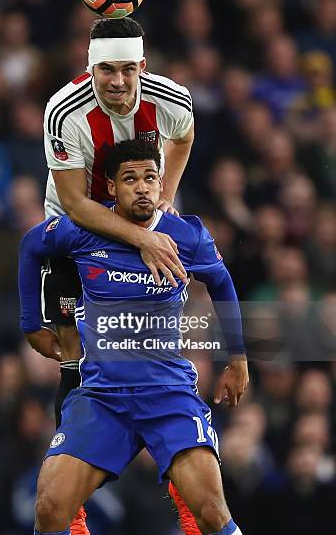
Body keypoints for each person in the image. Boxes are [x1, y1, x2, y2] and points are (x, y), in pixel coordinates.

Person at [19, 140, 249, 535]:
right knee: (50, 509)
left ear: (161, 185)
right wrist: (30, 323)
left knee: (211, 512)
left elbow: (222, 284)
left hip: (167, 395)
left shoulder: (187, 235)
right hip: (102, 398)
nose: (141, 187)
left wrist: (237, 360)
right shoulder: (83, 229)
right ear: (111, 188)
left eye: (149, 178)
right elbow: (31, 246)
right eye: (130, 179)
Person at [32, 16, 196, 532]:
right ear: (90, 68)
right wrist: (144, 235)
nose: (118, 82)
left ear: (143, 67)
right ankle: (73, 502)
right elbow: (77, 204)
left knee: (150, 353)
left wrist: (161, 200)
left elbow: (184, 137)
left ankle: (186, 483)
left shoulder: (172, 99)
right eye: (106, 70)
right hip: (75, 234)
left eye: (127, 70)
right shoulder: (63, 113)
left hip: (138, 230)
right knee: (70, 354)